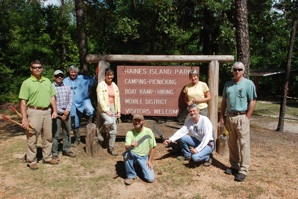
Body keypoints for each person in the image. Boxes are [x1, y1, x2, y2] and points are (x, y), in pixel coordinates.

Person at [220, 61, 257, 182]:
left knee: (244, 144)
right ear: (232, 70)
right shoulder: (228, 84)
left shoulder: (248, 84)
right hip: (230, 117)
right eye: (235, 69)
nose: (237, 71)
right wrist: (222, 115)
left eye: (240, 69)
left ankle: (243, 170)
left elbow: (252, 100)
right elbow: (224, 100)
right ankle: (234, 165)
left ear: (243, 71)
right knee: (232, 143)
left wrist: (248, 116)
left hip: (242, 117)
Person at [19, 60, 58, 170]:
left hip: (47, 111)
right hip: (33, 111)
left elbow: (52, 97)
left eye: (39, 67)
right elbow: (23, 101)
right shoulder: (26, 83)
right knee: (32, 136)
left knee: (48, 136)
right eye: (35, 67)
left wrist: (54, 111)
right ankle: (32, 160)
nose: (37, 69)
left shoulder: (47, 81)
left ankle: (47, 157)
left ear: (42, 68)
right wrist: (24, 118)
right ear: (31, 68)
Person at [63, 65, 97, 146]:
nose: (73, 74)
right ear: (69, 72)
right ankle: (76, 139)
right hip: (72, 103)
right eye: (71, 72)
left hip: (84, 101)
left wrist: (97, 75)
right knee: (74, 121)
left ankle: (90, 131)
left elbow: (93, 81)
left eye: (75, 72)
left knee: (91, 111)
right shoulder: (65, 81)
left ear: (77, 72)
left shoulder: (83, 78)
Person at [124, 114, 156, 185]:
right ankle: (130, 175)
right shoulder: (130, 133)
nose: (137, 122)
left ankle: (139, 167)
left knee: (151, 179)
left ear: (143, 122)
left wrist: (150, 160)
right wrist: (131, 145)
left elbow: (153, 147)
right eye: (135, 121)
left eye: (139, 120)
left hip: (144, 157)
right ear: (132, 122)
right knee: (126, 154)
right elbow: (126, 147)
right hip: (133, 154)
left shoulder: (148, 131)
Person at [52, 70, 75, 160]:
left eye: (61, 75)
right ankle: (54, 152)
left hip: (67, 113)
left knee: (67, 132)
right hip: (56, 114)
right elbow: (52, 101)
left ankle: (66, 149)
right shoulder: (51, 87)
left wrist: (67, 111)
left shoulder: (67, 86)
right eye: (57, 76)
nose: (59, 77)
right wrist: (61, 112)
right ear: (54, 77)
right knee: (56, 134)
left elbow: (70, 99)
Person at [97, 68, 121, 156]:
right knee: (110, 121)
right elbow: (100, 99)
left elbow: (117, 99)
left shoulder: (114, 85)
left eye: (111, 75)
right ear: (105, 76)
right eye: (108, 75)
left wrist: (118, 111)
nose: (110, 77)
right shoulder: (101, 85)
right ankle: (101, 130)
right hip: (104, 108)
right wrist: (106, 110)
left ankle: (111, 148)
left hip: (113, 108)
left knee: (114, 130)